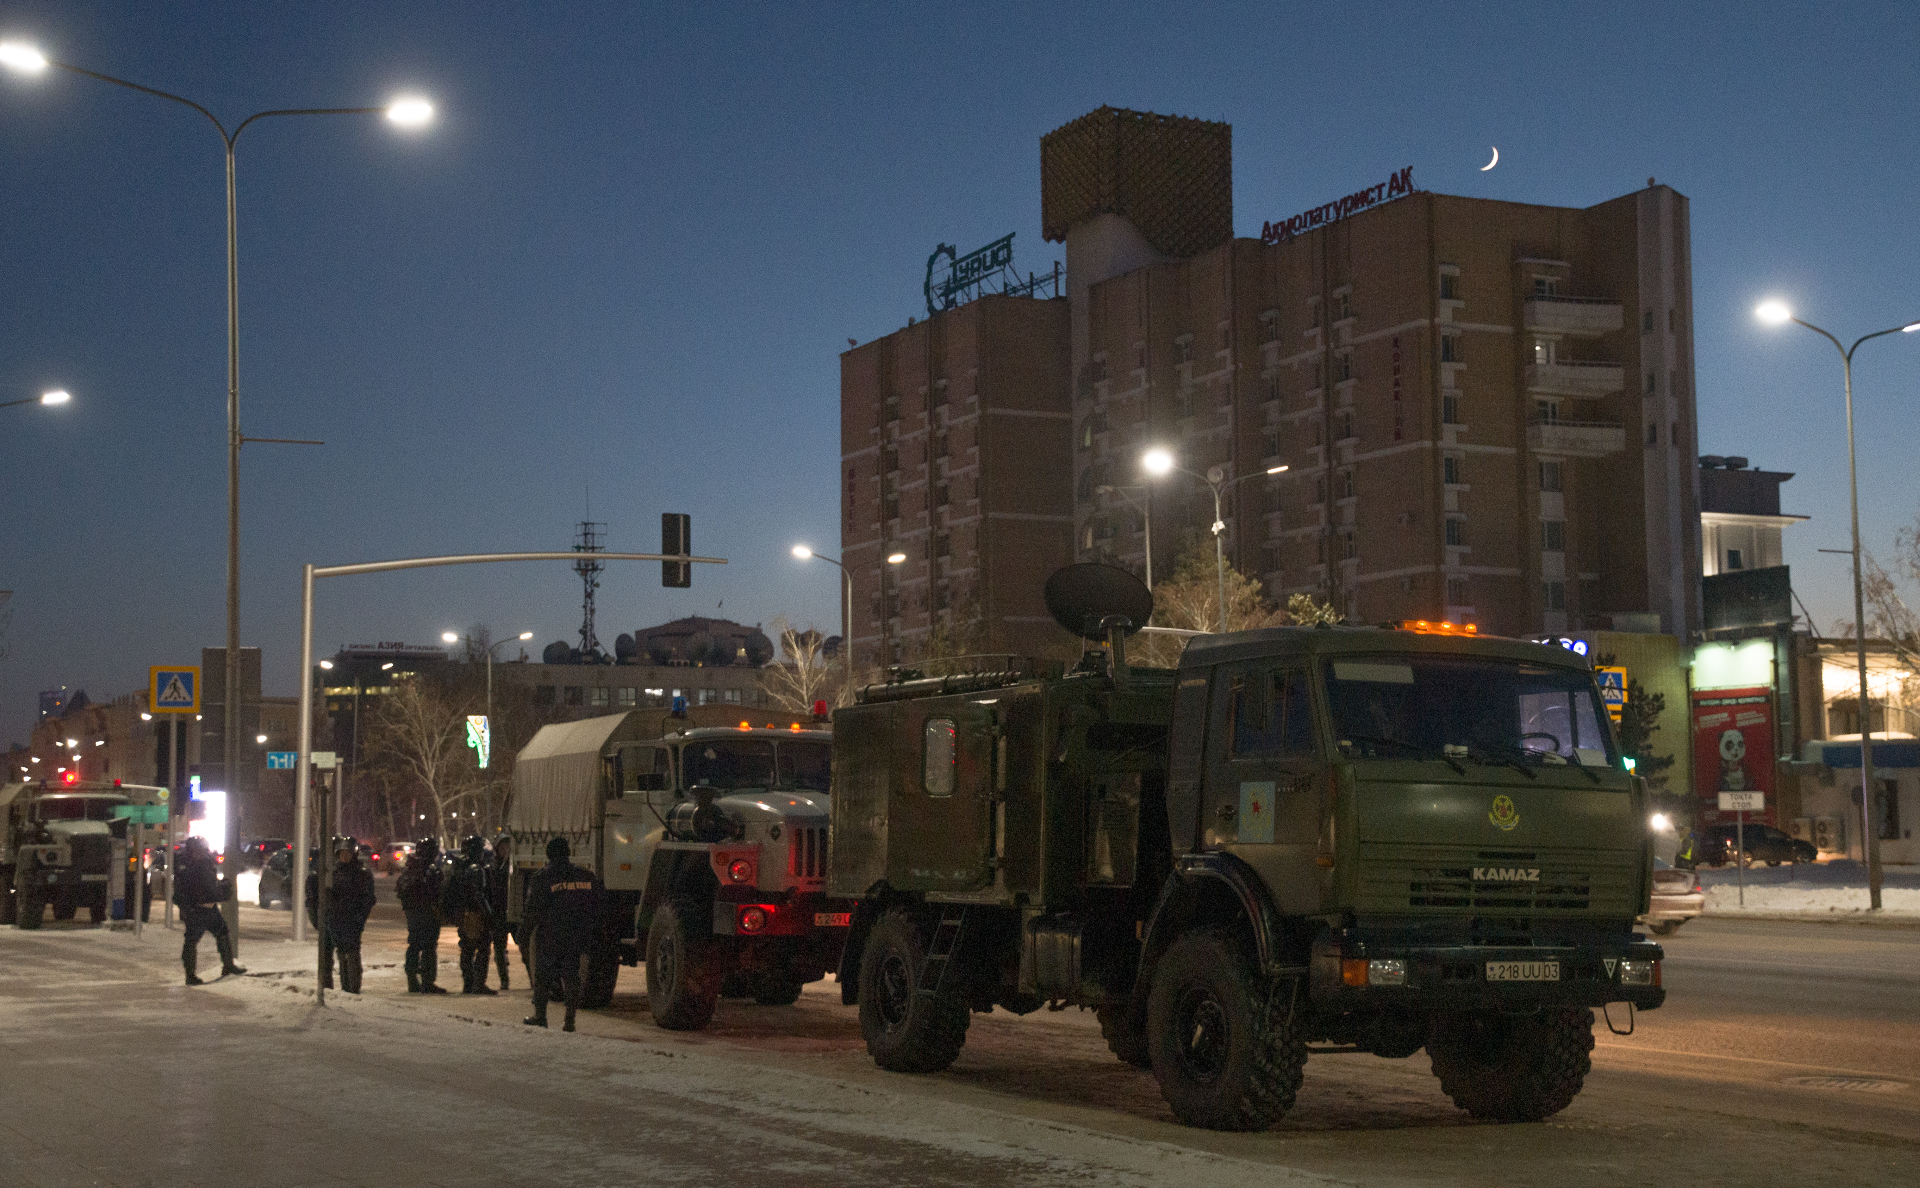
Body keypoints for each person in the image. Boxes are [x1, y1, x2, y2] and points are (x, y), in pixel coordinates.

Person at [522, 836, 602, 1032]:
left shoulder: (542, 877)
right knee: (571, 978)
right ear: (568, 853)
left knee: (543, 977)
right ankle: (569, 1021)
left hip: (551, 936)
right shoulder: (586, 877)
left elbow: (532, 910)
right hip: (576, 936)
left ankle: (540, 1016)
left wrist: (523, 934)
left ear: (549, 855)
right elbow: (598, 907)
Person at [305, 837, 377, 993]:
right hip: (331, 919)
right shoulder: (328, 872)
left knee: (349, 954)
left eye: (348, 853)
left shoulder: (360, 873)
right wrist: (317, 916)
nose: (345, 856)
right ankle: (327, 988)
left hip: (350, 920)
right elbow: (313, 896)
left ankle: (351, 987)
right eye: (342, 853)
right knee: (327, 956)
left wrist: (359, 918)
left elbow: (367, 899)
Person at [172, 837, 244, 985]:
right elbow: (182, 891)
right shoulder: (185, 866)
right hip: (196, 909)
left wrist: (220, 888)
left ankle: (228, 965)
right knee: (191, 940)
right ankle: (190, 975)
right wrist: (188, 907)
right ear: (192, 850)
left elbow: (210, 885)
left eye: (203, 850)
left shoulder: (204, 863)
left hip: (209, 907)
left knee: (222, 933)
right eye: (199, 850)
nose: (202, 853)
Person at [441, 835, 497, 995]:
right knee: (483, 948)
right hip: (475, 913)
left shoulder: (459, 867)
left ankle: (468, 983)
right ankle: (478, 984)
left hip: (463, 913)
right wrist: (489, 913)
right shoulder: (475, 869)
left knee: (467, 949)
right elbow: (478, 894)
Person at [395, 836, 448, 994]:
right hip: (428, 913)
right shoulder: (431, 870)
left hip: (413, 913)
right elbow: (438, 892)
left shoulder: (410, 868)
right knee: (429, 947)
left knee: (414, 945)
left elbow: (400, 890)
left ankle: (412, 979)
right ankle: (427, 981)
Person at [485, 835, 517, 991]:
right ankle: (504, 980)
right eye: (502, 847)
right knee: (499, 949)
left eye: (507, 846)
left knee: (524, 946)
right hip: (498, 912)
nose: (505, 849)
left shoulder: (512, 864)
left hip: (513, 910)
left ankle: (533, 980)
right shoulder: (491, 866)